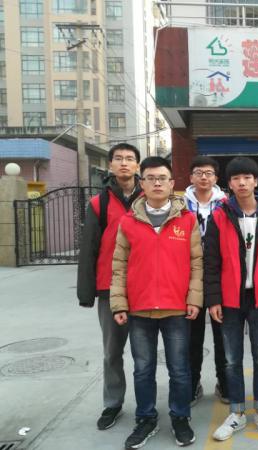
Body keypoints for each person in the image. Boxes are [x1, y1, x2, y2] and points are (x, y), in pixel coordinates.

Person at [110, 157, 203, 449]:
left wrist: (194, 298)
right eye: (151, 178)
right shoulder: (128, 222)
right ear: (142, 184)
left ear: (172, 183)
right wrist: (119, 303)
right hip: (139, 309)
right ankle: (146, 418)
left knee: (179, 369)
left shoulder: (187, 220)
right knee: (143, 369)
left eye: (162, 178)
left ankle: (180, 417)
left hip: (176, 308)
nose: (157, 183)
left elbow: (197, 263)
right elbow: (119, 266)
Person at [204, 156, 258, 441]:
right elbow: (211, 261)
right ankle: (237, 413)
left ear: (256, 181)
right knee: (231, 360)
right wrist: (213, 299)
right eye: (236, 178)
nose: (242, 183)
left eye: (247, 177)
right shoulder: (220, 215)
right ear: (228, 184)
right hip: (230, 299)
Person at [77, 143, 142, 430]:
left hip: (145, 289)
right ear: (111, 165)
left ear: (138, 165)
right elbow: (89, 249)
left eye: (130, 159)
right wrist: (86, 291)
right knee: (112, 352)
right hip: (110, 289)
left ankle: (146, 405)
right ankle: (113, 403)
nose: (124, 163)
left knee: (145, 354)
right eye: (119, 159)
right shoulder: (98, 204)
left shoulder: (151, 198)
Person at [184, 155, 228, 405]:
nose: (203, 177)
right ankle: (193, 384)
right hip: (188, 279)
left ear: (216, 178)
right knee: (192, 336)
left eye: (209, 173)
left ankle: (224, 382)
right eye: (199, 172)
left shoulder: (227, 204)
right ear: (191, 177)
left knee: (223, 335)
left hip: (219, 277)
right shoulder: (179, 205)